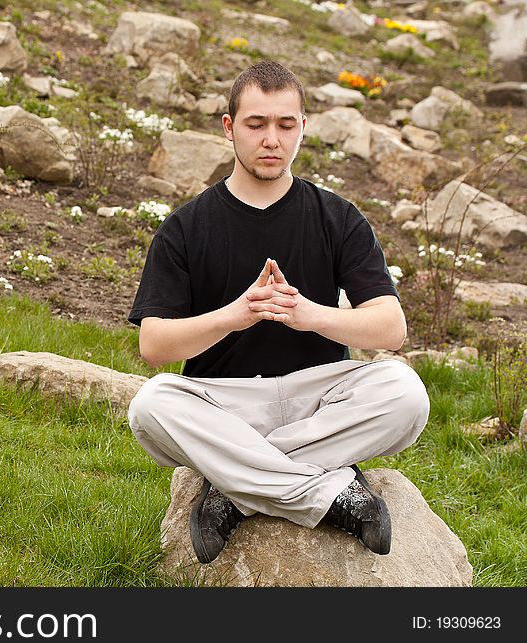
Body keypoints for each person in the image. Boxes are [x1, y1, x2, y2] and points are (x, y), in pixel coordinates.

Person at [126, 60, 430, 564]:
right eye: (256, 124)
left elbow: (390, 328)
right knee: (152, 405)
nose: (272, 139)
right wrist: (235, 315)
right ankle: (333, 493)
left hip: (322, 400)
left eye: (286, 125)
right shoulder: (186, 227)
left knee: (405, 393)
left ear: (303, 128)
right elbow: (154, 346)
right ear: (229, 128)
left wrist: (311, 314)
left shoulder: (338, 217)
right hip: (225, 403)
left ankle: (233, 486)